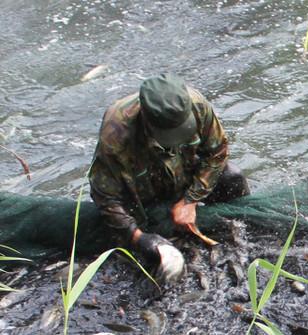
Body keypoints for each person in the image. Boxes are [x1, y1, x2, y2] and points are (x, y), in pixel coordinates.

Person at [88, 73, 249, 274]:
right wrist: (138, 237)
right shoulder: (116, 132)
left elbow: (218, 153)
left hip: (183, 176)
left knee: (232, 176)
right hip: (143, 189)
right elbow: (106, 196)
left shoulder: (197, 105)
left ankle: (244, 234)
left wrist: (190, 200)